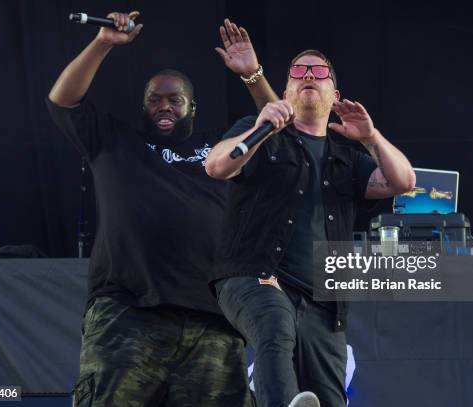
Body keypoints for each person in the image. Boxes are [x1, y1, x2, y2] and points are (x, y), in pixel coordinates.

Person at [46, 11, 277, 406]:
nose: (164, 106)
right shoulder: (114, 141)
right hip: (128, 311)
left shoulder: (220, 148)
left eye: (175, 99)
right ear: (143, 106)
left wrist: (253, 74)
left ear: (192, 106)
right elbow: (62, 100)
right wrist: (103, 42)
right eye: (155, 100)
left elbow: (278, 125)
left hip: (213, 319)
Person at [205, 49, 416, 407]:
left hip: (322, 302)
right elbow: (216, 166)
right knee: (273, 324)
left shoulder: (348, 159)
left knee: (329, 398)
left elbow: (403, 181)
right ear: (286, 92)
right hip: (256, 276)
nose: (308, 75)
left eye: (319, 72)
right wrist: (261, 125)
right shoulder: (261, 133)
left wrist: (370, 136)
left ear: (334, 97)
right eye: (298, 70)